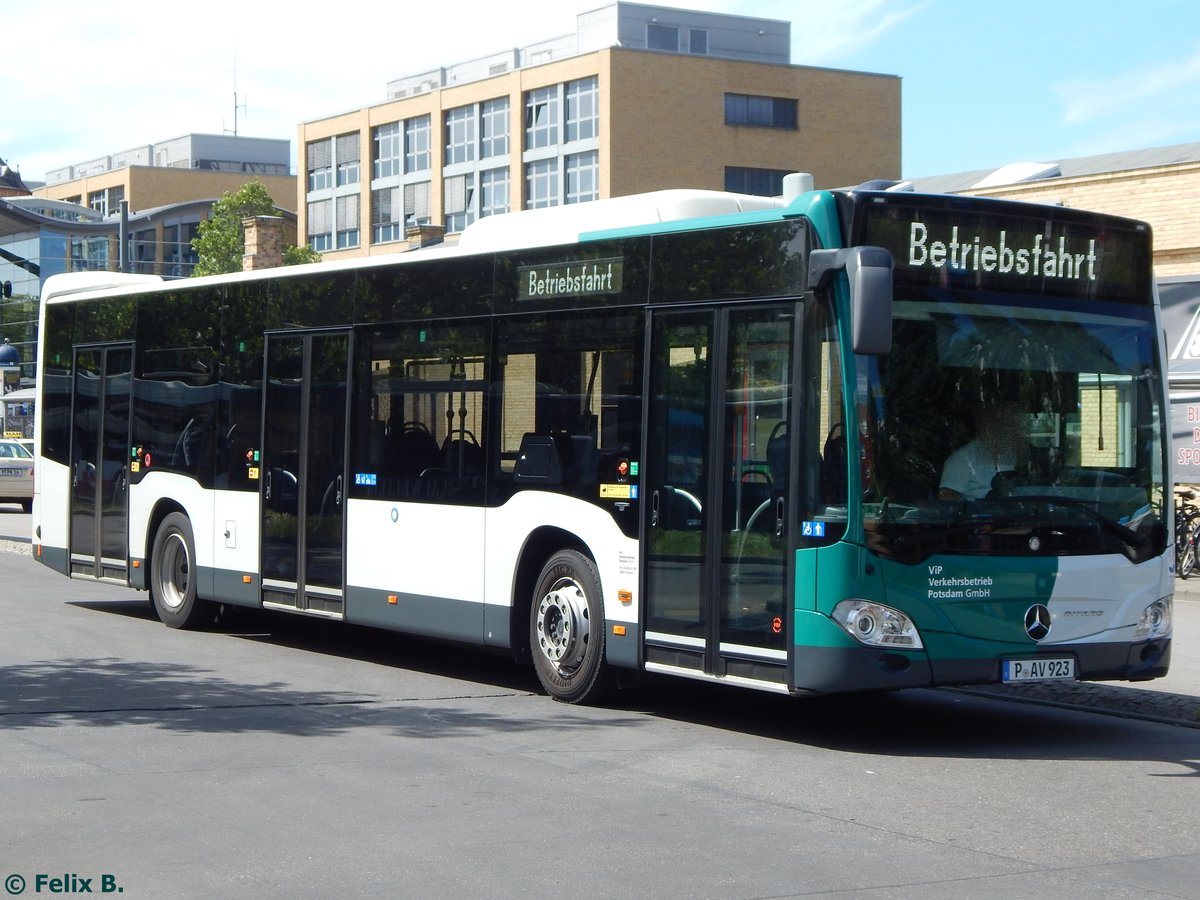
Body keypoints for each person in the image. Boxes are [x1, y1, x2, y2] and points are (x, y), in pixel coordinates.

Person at [939, 403, 1029, 501]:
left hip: (1021, 512)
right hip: (978, 514)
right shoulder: (962, 458)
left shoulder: (1019, 454)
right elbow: (946, 497)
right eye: (997, 422)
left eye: (1007, 422)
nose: (1002, 427)